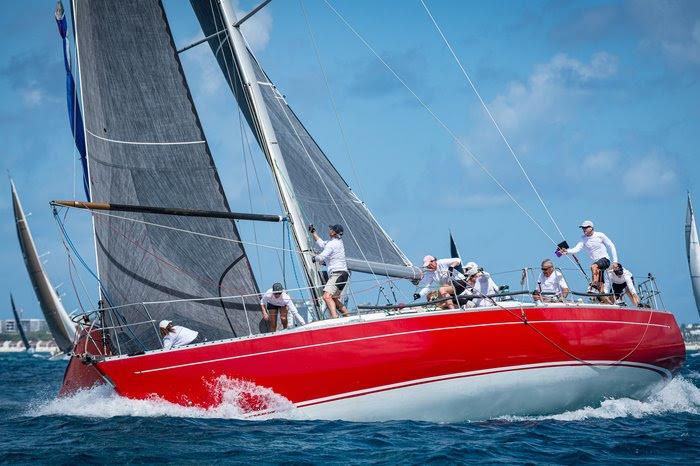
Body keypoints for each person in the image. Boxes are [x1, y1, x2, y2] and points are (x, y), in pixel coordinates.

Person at [559, 220, 618, 293]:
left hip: (605, 260)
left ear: (591, 228)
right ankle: (604, 299)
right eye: (583, 228)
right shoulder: (583, 238)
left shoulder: (600, 235)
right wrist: (567, 251)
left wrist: (615, 261)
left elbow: (611, 245)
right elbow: (576, 249)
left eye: (585, 228)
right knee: (601, 288)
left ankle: (594, 286)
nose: (584, 229)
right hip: (597, 265)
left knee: (593, 266)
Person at [310, 223, 350, 318]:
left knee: (326, 297)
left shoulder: (331, 244)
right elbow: (321, 243)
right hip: (344, 274)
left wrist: (315, 258)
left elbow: (322, 257)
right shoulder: (337, 242)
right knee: (334, 299)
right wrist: (313, 232)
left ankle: (334, 318)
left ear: (333, 233)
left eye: (331, 229)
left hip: (337, 274)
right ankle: (348, 316)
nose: (329, 230)